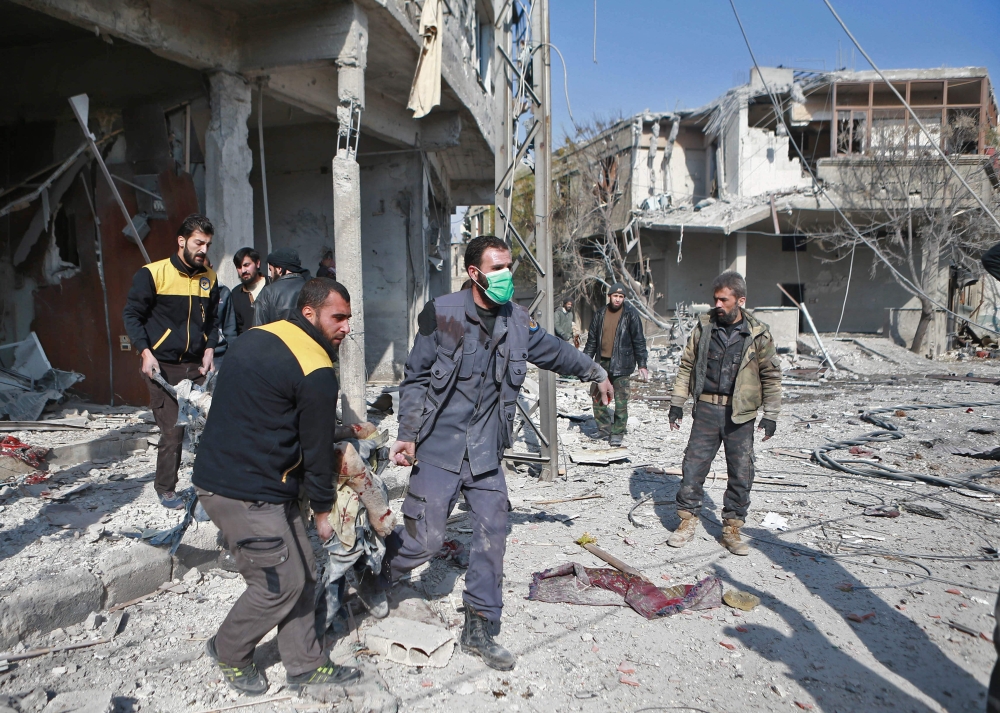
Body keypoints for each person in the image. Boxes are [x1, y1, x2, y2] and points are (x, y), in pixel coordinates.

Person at [385, 235, 614, 671]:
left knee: (493, 534)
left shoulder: (517, 321)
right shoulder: (444, 314)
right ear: (474, 273)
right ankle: (376, 576)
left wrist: (595, 371)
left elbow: (555, 352)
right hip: (439, 447)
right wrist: (407, 433)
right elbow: (414, 378)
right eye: (498, 268)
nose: (507, 275)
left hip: (486, 452)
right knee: (425, 540)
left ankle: (479, 625)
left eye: (510, 266)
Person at [192, 278, 362, 698]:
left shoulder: (259, 335)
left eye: (348, 319)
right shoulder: (318, 369)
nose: (345, 328)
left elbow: (271, 410)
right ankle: (228, 650)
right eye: (337, 318)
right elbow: (317, 449)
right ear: (309, 313)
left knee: (303, 573)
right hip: (242, 491)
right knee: (278, 583)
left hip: (251, 478)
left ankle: (304, 665)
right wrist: (323, 511)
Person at [666, 271, 782, 556]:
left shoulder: (758, 334)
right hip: (705, 409)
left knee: (742, 472)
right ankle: (687, 520)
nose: (717, 304)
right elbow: (686, 366)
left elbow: (771, 376)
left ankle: (732, 527)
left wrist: (771, 415)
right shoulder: (704, 327)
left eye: (723, 300)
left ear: (740, 300)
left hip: (740, 414)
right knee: (693, 467)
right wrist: (677, 402)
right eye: (715, 299)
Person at [123, 214, 218, 510]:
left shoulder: (209, 278)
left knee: (211, 426)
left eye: (208, 244)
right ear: (182, 241)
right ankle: (166, 488)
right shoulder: (152, 274)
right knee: (174, 431)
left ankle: (212, 485)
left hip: (196, 365)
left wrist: (210, 348)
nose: (203, 249)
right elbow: (132, 316)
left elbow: (213, 320)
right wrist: (145, 352)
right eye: (198, 242)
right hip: (162, 366)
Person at [582, 283, 649, 446]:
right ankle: (603, 428)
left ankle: (618, 432)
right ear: (609, 296)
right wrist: (583, 361)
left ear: (624, 298)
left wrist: (642, 364)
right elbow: (591, 341)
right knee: (597, 396)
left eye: (621, 297)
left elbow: (639, 340)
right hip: (601, 363)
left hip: (622, 363)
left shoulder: (630, 314)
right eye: (615, 296)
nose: (618, 299)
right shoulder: (600, 314)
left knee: (620, 399)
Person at [253, 247, 310, 326]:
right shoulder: (312, 287)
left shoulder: (268, 293)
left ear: (279, 269)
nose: (271, 275)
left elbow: (258, 330)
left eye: (271, 270)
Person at [231, 247, 269, 336]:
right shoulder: (236, 293)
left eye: (246, 265)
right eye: (239, 267)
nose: (243, 271)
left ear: (257, 263)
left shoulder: (272, 286)